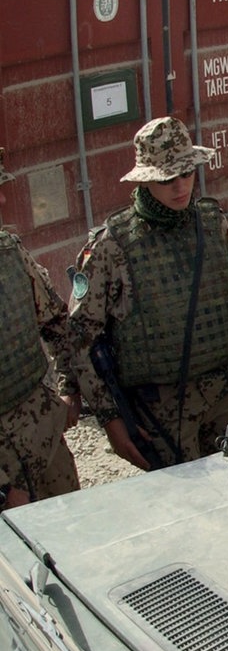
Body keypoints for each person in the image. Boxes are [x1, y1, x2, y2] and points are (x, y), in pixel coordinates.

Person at [68, 116, 228, 470]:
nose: (180, 186)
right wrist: (111, 421)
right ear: (146, 180)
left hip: (225, 393)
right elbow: (80, 338)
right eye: (167, 178)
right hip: (160, 410)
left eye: (187, 173)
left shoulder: (212, 225)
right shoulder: (112, 245)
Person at [0, 147, 81, 508]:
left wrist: (70, 390)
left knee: (74, 542)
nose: (3, 198)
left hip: (43, 435)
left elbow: (58, 325)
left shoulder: (9, 251)